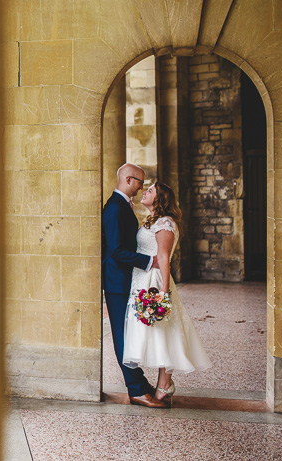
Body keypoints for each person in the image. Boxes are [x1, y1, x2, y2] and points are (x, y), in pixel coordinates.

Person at [122, 182, 212, 404]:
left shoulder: (165, 223)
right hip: (141, 280)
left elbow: (163, 257)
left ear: (160, 198)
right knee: (157, 334)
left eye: (150, 190)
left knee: (163, 331)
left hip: (154, 281)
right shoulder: (152, 220)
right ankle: (164, 384)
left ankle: (164, 384)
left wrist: (163, 292)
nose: (145, 192)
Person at [102, 164, 164, 408]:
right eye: (140, 182)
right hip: (117, 281)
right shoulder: (115, 208)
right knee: (122, 337)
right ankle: (136, 389)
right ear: (129, 179)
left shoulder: (122, 205)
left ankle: (139, 383)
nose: (142, 187)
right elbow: (116, 251)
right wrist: (150, 261)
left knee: (127, 335)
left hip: (125, 279)